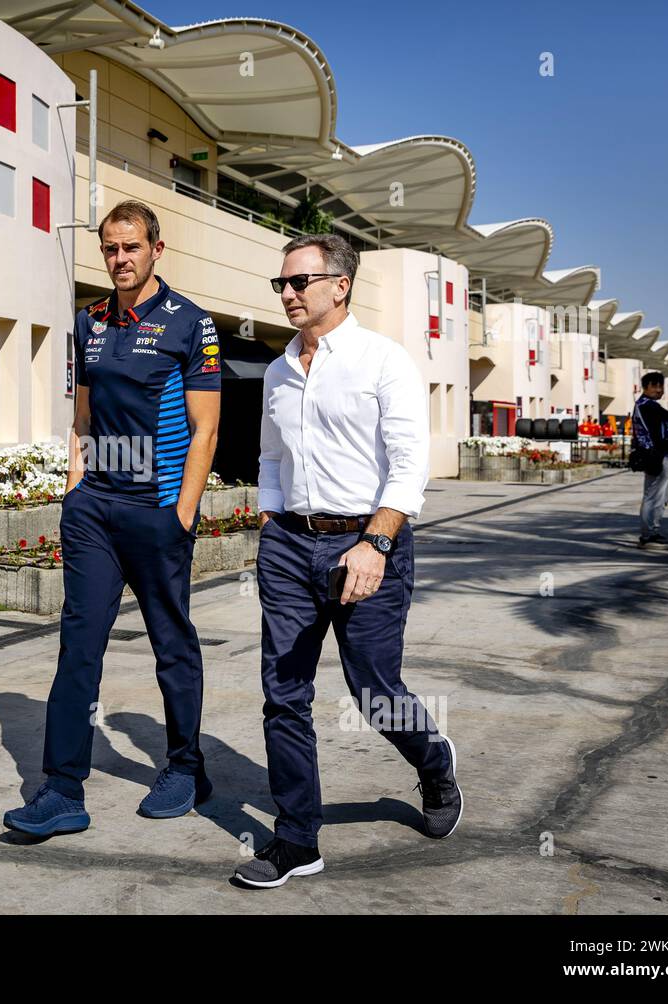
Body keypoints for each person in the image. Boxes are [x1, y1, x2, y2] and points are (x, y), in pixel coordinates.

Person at [233, 233, 460, 889]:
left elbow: (409, 465)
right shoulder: (278, 370)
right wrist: (272, 520)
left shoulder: (382, 361)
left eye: (299, 281)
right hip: (289, 547)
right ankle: (296, 840)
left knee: (373, 690)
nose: (287, 294)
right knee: (283, 695)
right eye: (281, 283)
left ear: (341, 285)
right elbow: (271, 456)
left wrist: (377, 543)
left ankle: (433, 759)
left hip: (367, 541)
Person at [3, 201, 221, 837]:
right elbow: (83, 419)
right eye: (109, 249)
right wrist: (75, 494)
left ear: (157, 248)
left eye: (130, 247)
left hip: (156, 512)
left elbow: (207, 430)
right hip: (95, 510)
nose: (119, 259)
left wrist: (181, 515)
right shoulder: (89, 321)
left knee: (170, 644)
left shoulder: (193, 325)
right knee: (79, 648)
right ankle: (62, 789)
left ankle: (185, 767)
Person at [632, 372, 668, 549]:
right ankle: (649, 534)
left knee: (663, 496)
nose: (659, 390)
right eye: (654, 386)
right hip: (655, 456)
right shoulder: (647, 406)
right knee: (653, 496)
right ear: (645, 387)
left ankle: (652, 530)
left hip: (657, 455)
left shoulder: (646, 405)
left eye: (661, 386)